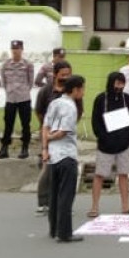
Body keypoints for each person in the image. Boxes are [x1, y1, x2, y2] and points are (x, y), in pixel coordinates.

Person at [43, 74, 86, 243]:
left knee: (54, 194)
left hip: (54, 156)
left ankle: (53, 229)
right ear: (75, 89)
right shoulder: (71, 107)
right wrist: (52, 137)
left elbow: (45, 125)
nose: (83, 92)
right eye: (82, 88)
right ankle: (64, 232)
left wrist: (46, 143)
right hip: (67, 154)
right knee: (66, 196)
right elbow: (64, 131)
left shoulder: (54, 103)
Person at [88, 71, 129, 217]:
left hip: (123, 145)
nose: (120, 86)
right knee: (99, 175)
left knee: (124, 174)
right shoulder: (101, 99)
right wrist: (102, 137)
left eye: (122, 83)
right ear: (111, 83)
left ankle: (125, 206)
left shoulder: (127, 99)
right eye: (117, 83)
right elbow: (95, 121)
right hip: (105, 145)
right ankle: (94, 207)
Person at [34, 62, 71, 215]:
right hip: (48, 133)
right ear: (55, 74)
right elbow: (38, 111)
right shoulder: (45, 91)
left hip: (67, 135)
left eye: (68, 74)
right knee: (47, 168)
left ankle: (60, 203)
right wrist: (47, 127)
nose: (66, 77)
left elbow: (78, 110)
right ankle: (43, 202)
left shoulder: (70, 90)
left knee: (65, 169)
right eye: (63, 74)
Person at [0, 39, 34, 159]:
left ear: (22, 50)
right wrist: (9, 91)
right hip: (11, 98)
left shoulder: (28, 64)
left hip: (24, 98)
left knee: (25, 124)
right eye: (13, 49)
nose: (15, 51)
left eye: (18, 49)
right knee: (8, 124)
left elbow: (30, 82)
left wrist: (23, 91)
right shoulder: (6, 64)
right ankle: (4, 148)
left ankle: (24, 148)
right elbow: (4, 81)